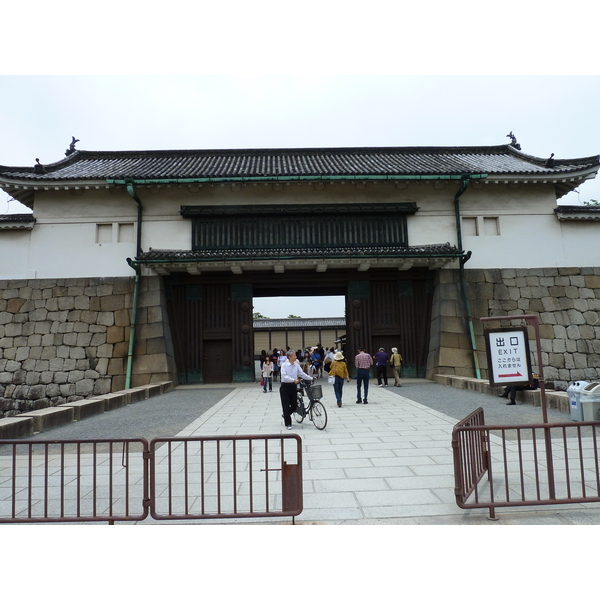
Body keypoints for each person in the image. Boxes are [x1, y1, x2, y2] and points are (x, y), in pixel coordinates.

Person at [280, 349, 314, 429]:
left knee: (294, 405)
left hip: (293, 387)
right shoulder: (284, 365)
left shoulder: (296, 365)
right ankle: (288, 423)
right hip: (285, 386)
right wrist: (293, 380)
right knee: (285, 404)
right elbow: (284, 376)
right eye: (294, 355)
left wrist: (310, 378)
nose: (296, 356)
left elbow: (302, 374)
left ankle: (286, 414)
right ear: (289, 357)